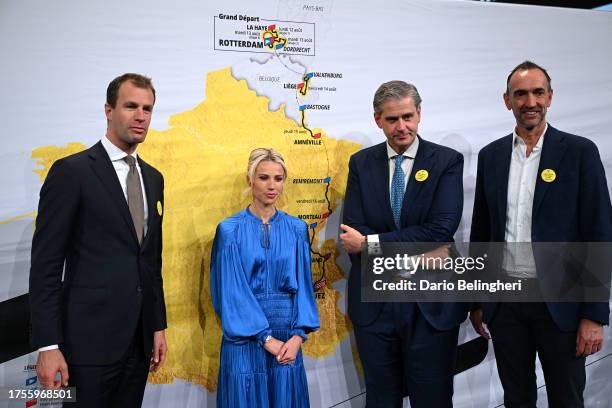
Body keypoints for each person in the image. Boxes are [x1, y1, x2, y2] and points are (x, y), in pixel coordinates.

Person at [469, 61, 612, 407]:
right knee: (516, 398)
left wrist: (594, 315)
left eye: (537, 92)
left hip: (561, 306)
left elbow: (599, 234)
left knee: (566, 398)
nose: (529, 101)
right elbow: (483, 233)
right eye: (520, 94)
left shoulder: (579, 152)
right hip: (506, 304)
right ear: (507, 100)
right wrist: (476, 300)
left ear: (550, 97)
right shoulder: (491, 156)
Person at [29, 73, 168, 407]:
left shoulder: (153, 178)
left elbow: (150, 261)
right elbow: (46, 266)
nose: (140, 116)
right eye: (131, 106)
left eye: (147, 109)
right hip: (86, 347)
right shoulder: (72, 173)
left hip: (138, 344)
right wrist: (48, 346)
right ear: (108, 110)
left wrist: (157, 325)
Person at [340, 81, 467, 407]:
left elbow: (440, 230)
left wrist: (371, 243)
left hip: (431, 307)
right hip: (375, 306)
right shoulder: (361, 163)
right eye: (392, 119)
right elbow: (351, 229)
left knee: (433, 400)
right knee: (381, 400)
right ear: (377, 120)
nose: (401, 127)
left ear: (419, 114)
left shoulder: (446, 161)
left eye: (408, 117)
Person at [210, 148, 320, 407]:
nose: (272, 186)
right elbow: (229, 293)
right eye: (263, 178)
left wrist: (297, 337)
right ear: (250, 180)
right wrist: (265, 338)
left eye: (278, 178)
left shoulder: (297, 229)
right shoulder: (229, 230)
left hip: (287, 337)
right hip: (243, 338)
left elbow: (304, 287)